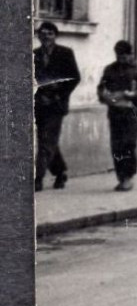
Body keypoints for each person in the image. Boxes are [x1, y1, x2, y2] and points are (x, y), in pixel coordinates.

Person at [33, 21, 81, 192]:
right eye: (42, 34)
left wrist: (57, 94)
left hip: (56, 104)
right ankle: (60, 172)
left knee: (46, 141)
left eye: (50, 34)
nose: (46, 37)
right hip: (39, 104)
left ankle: (37, 179)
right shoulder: (34, 54)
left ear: (55, 36)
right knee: (47, 140)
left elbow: (74, 78)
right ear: (38, 36)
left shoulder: (65, 53)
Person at [96, 41, 137, 192]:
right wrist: (104, 97)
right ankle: (121, 176)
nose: (122, 58)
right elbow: (101, 88)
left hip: (134, 109)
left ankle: (128, 177)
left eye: (125, 55)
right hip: (115, 110)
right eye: (119, 55)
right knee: (116, 145)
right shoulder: (110, 69)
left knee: (129, 143)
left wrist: (132, 94)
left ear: (131, 54)